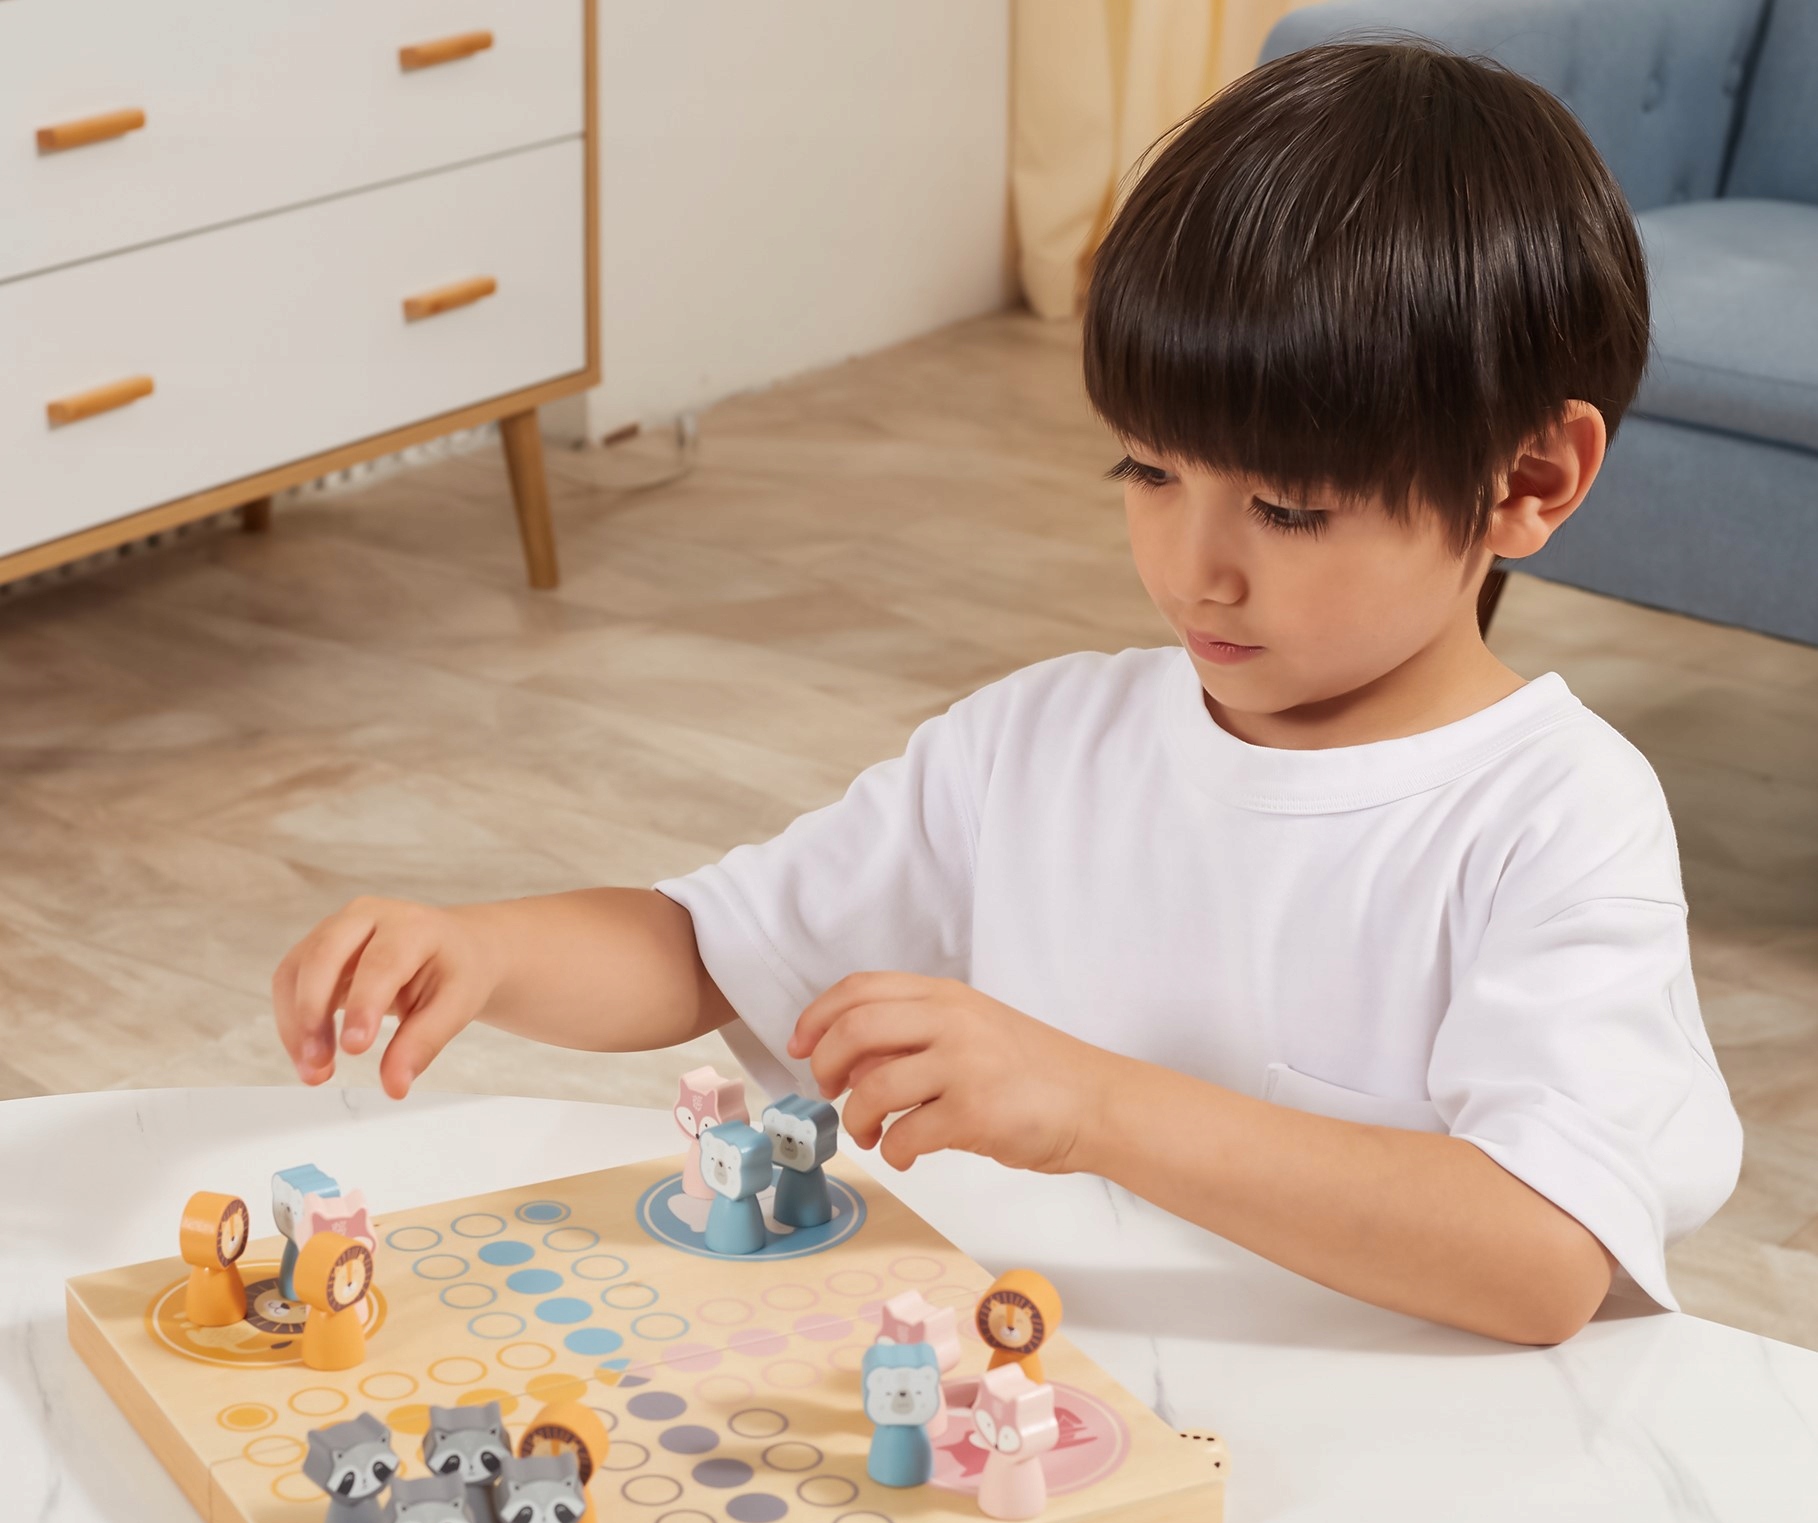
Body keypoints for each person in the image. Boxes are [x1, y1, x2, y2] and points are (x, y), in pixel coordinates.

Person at [270, 43, 1741, 1346]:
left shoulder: (1554, 818)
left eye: (1288, 509)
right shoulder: (1039, 744)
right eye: (1148, 471)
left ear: (1529, 478)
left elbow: (1542, 1257)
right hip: (1061, 1410)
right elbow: (710, 949)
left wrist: (1088, 1103)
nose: (1194, 569)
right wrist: (484, 949)